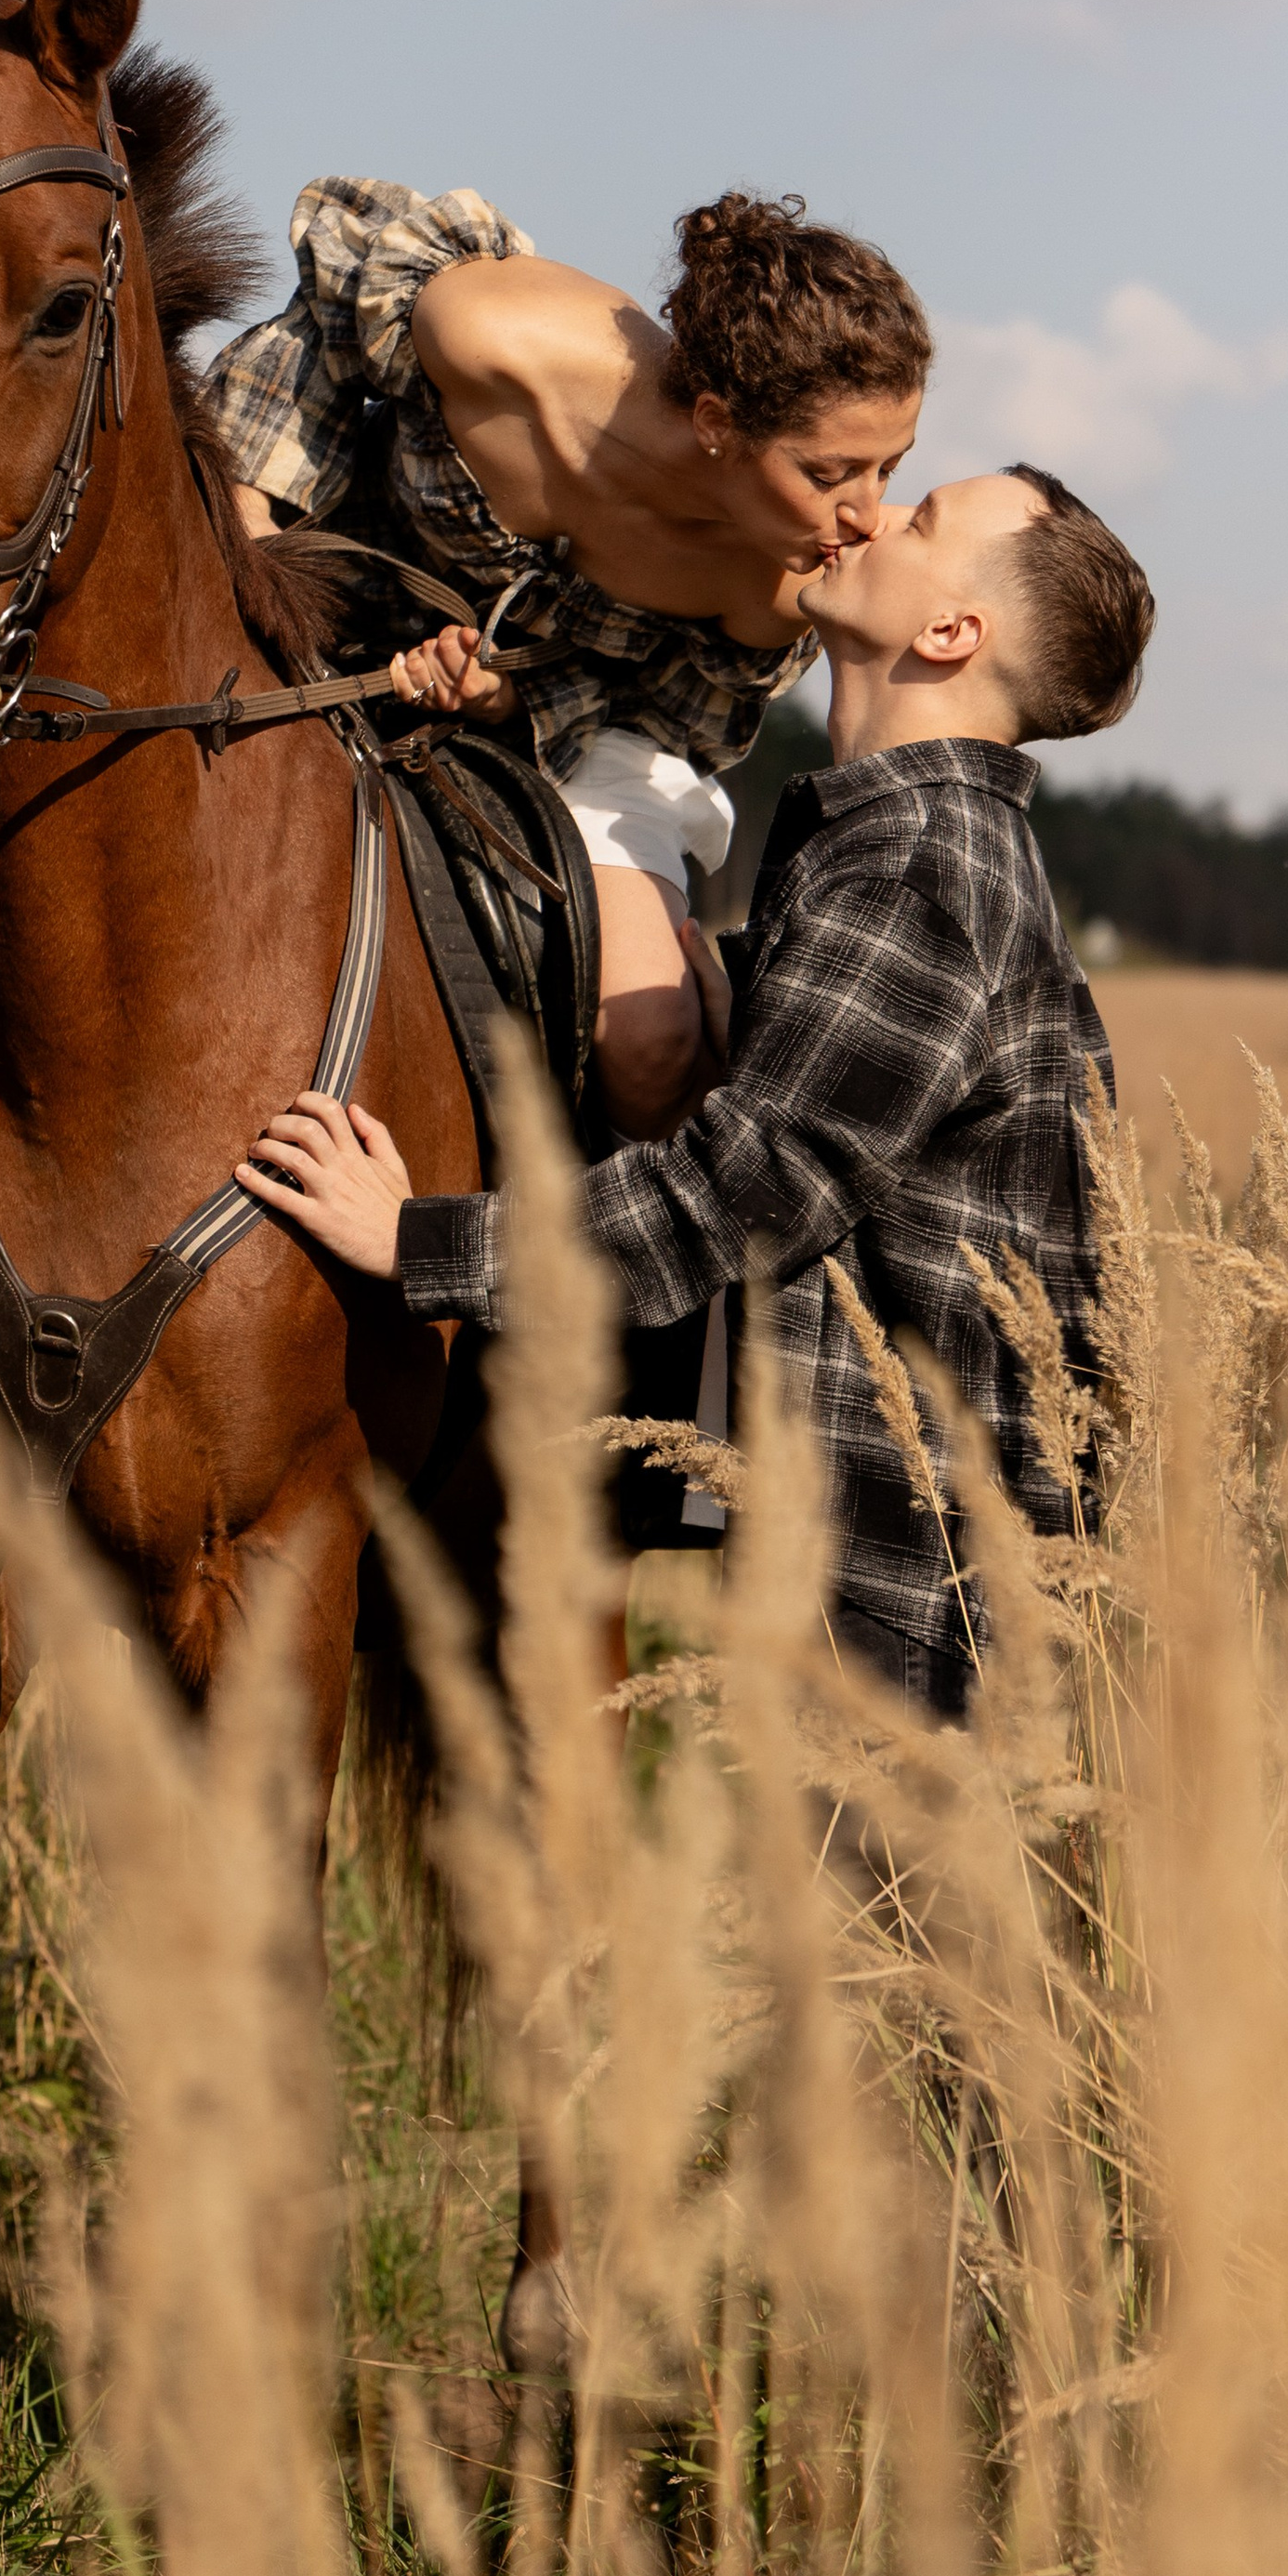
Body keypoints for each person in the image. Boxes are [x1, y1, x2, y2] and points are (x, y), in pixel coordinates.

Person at [0, 188, 931, 1205]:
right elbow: (321, 342)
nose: (868, 514)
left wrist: (506, 704)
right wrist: (254, 547)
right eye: (834, 470)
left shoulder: (790, 581)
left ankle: (575, 1309)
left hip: (588, 726)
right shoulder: (499, 335)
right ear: (714, 421)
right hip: (328, 588)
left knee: (650, 1046)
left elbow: (678, 720)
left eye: (892, 466)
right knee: (37, 776)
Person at [232, 465, 1157, 1712]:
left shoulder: (921, 870)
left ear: (951, 632)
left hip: (917, 1598)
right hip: (897, 1578)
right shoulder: (909, 847)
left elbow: (735, 1198)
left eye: (921, 517)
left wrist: (412, 1242)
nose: (870, 513)